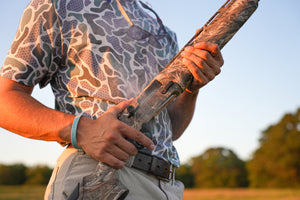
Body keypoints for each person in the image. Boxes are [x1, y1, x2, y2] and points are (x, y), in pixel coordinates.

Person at [0, 0, 223, 199]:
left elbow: (169, 132)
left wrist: (191, 89)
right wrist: (82, 129)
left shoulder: (164, 32)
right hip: (97, 177)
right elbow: (4, 100)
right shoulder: (57, 6)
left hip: (167, 185)